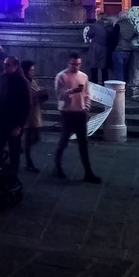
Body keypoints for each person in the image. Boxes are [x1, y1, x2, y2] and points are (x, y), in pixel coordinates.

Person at [53, 53, 100, 183]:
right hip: (67, 113)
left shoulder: (83, 76)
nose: (76, 66)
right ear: (68, 63)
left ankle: (88, 172)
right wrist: (72, 91)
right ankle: (57, 166)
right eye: (73, 64)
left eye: (78, 64)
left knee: (83, 143)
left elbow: (87, 94)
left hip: (81, 113)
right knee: (64, 141)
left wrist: (87, 106)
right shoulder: (61, 76)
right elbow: (59, 95)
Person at [0, 56, 31, 177]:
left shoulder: (23, 82)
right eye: (4, 64)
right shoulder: (0, 77)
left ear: (15, 66)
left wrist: (19, 126)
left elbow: (27, 106)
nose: (4, 66)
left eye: (8, 65)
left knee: (14, 151)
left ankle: (13, 176)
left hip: (14, 124)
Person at [21, 60, 47, 173]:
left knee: (35, 138)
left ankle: (23, 152)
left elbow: (36, 92)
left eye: (33, 70)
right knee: (30, 138)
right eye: (31, 70)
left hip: (35, 113)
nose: (33, 72)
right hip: (28, 114)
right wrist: (37, 96)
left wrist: (42, 96)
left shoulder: (33, 80)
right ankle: (28, 162)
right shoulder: (23, 82)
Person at [86, 14, 110, 85]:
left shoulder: (96, 26)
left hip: (96, 49)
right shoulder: (109, 26)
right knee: (104, 69)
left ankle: (94, 86)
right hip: (106, 49)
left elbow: (89, 34)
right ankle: (105, 86)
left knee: (94, 68)